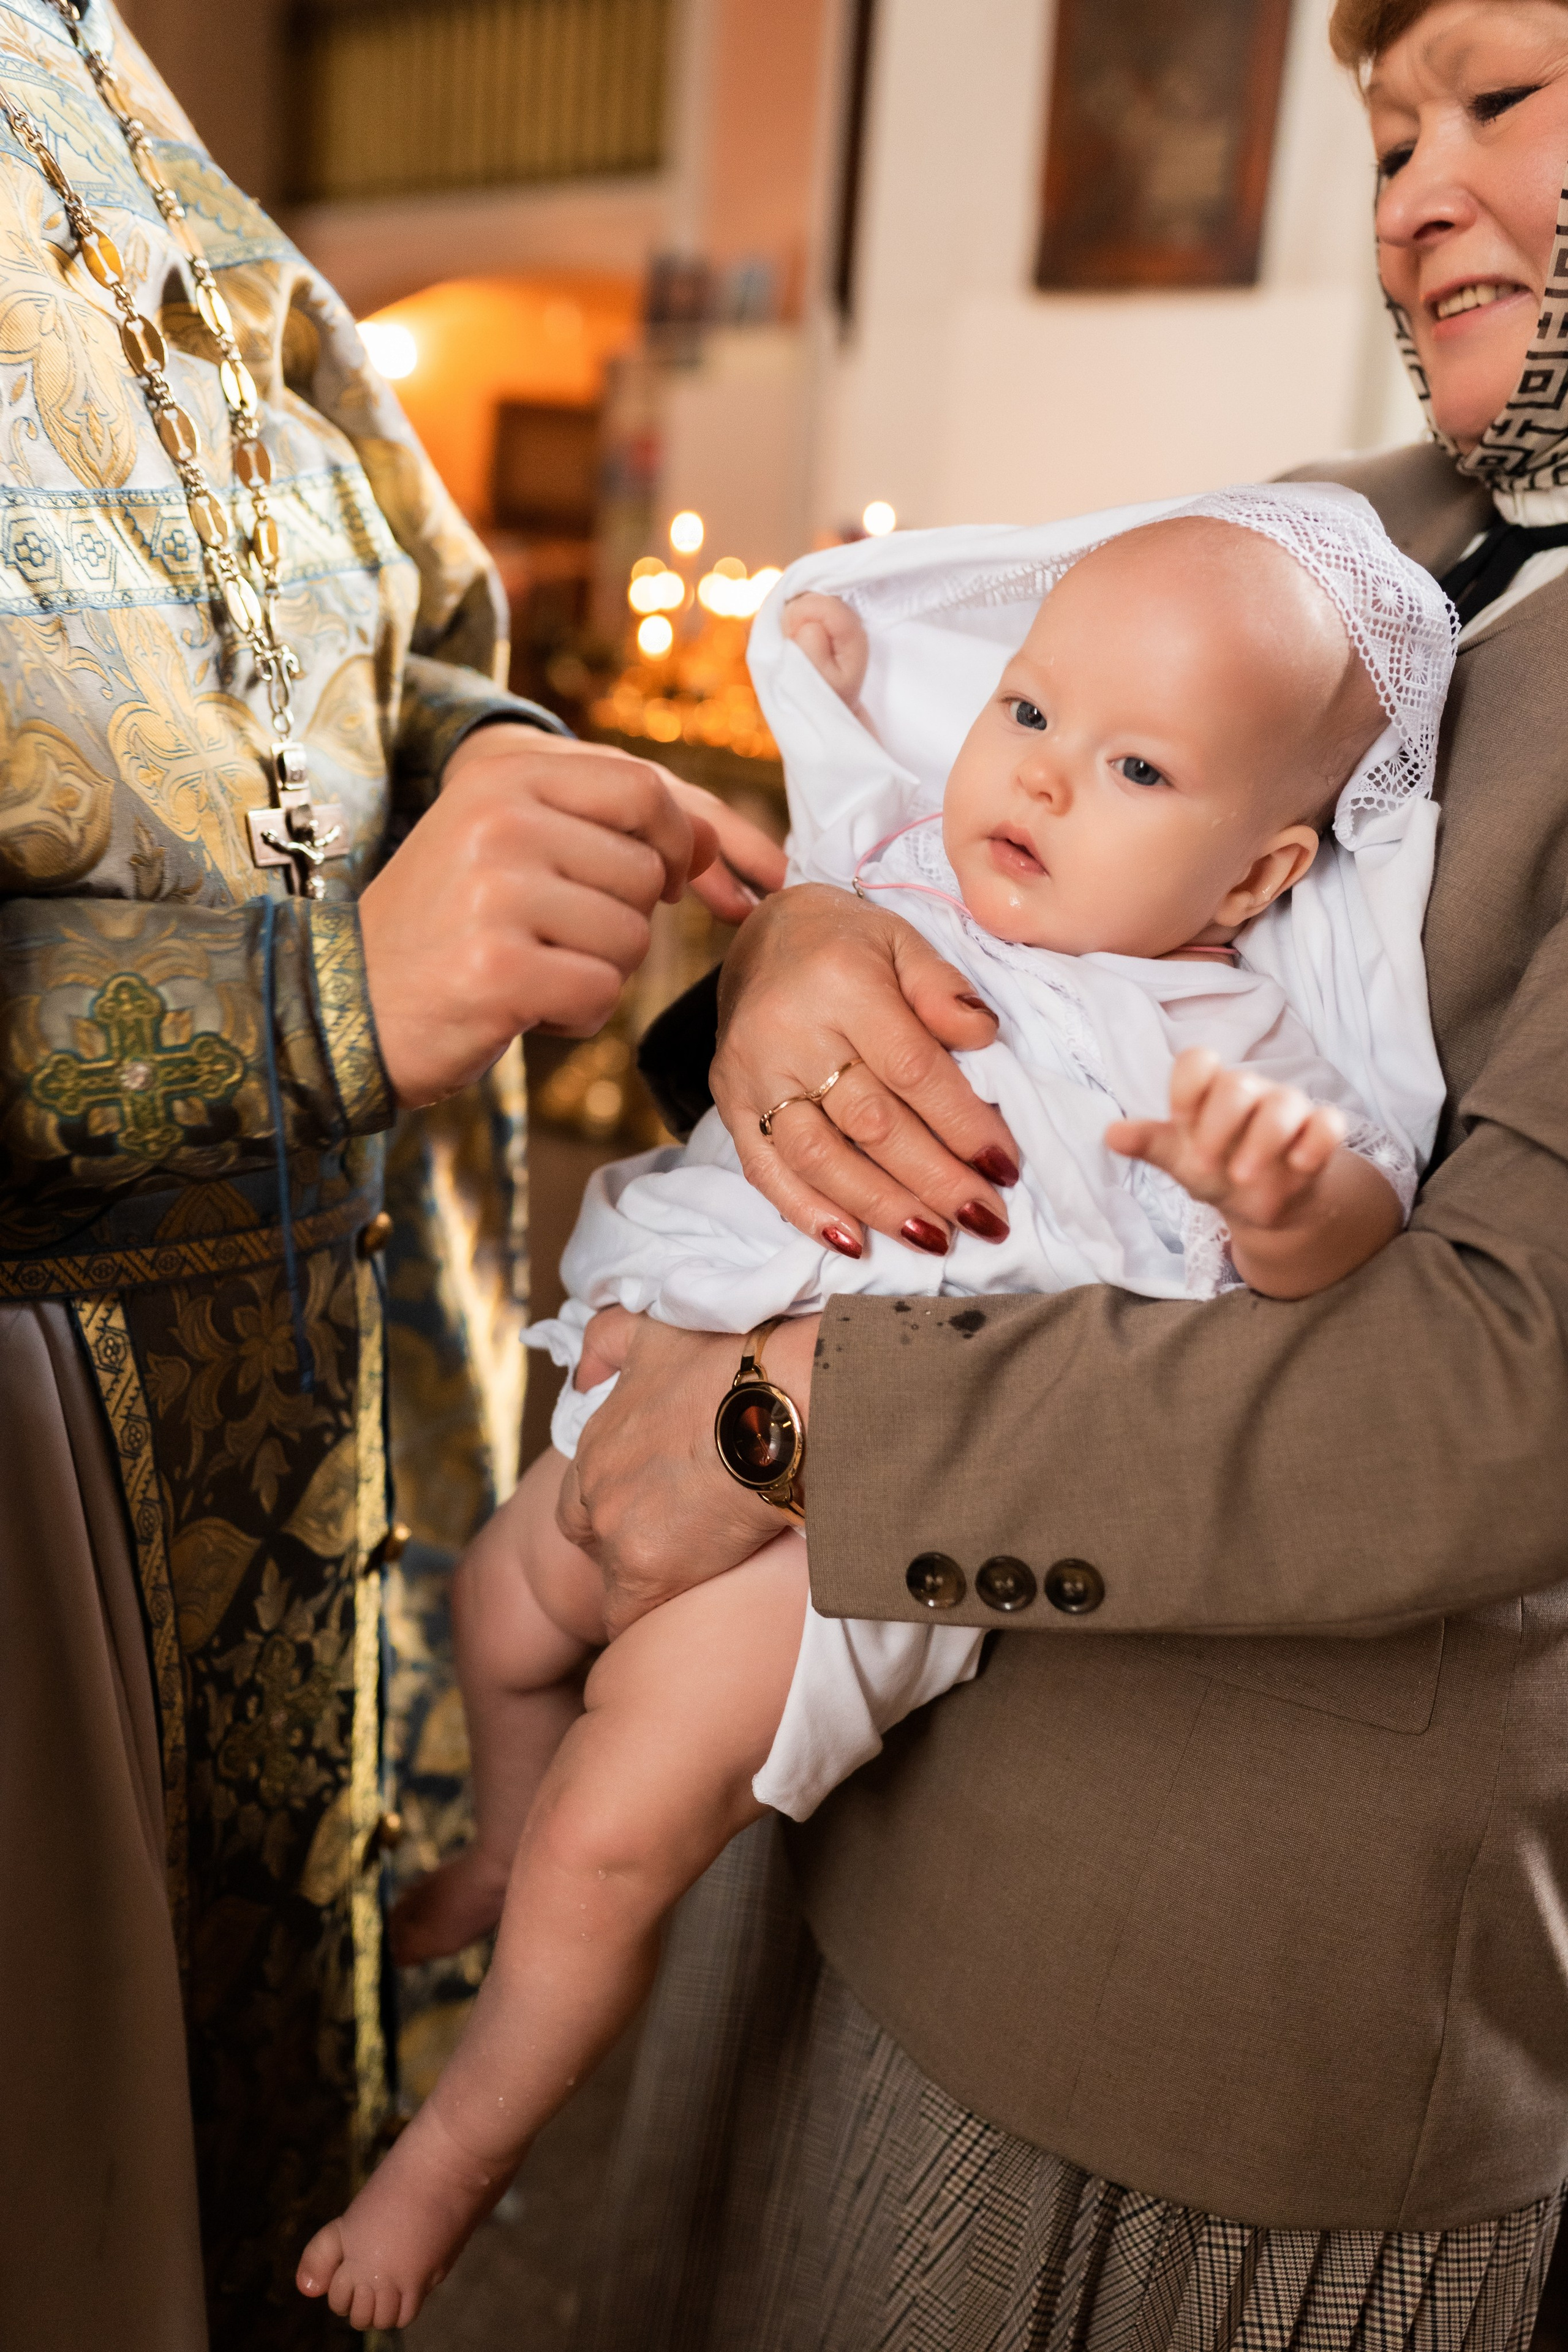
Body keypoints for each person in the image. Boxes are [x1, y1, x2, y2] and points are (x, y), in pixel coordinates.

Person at [559, 4, 1568, 2348]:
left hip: (1202, 1979)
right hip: (858, 1794)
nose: (1415, 191)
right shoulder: (1348, 546)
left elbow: (1496, 1390)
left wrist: (802, 1421)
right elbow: (962, 813)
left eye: (1501, 101)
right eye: (1387, 130)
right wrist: (811, 944)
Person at [296, 487, 1453, 2330]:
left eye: (1137, 770)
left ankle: (451, 2163)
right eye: (1029, 712)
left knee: (628, 1807)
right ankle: (501, 1848)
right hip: (665, 1363)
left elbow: (1351, 1243)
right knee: (498, 1611)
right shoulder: (923, 861)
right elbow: (827, 827)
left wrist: (1283, 1194)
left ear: (1253, 878)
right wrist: (828, 693)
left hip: (844, 1530)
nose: (1046, 780)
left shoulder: (1222, 1032)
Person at [0, 6, 783, 2349]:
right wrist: (315, 999)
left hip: (333, 1385)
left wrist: (542, 798)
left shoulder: (93, 70)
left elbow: (399, 634)